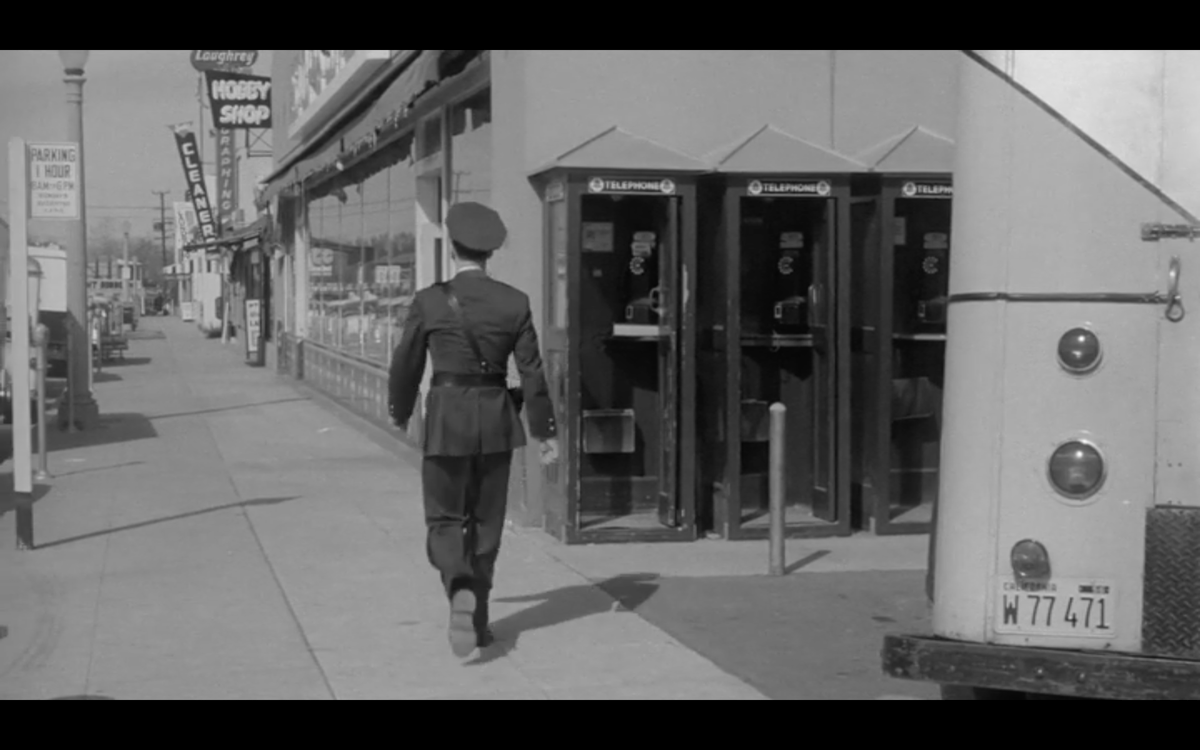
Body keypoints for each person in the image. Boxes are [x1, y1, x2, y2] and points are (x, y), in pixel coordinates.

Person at [388, 201, 560, 658]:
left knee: (444, 518)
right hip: (497, 420)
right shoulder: (515, 302)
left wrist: (400, 409)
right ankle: (478, 622)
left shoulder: (429, 301)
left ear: (453, 247)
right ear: (491, 252)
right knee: (486, 523)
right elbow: (533, 372)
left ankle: (459, 584)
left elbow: (406, 363)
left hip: (447, 418)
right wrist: (545, 432)